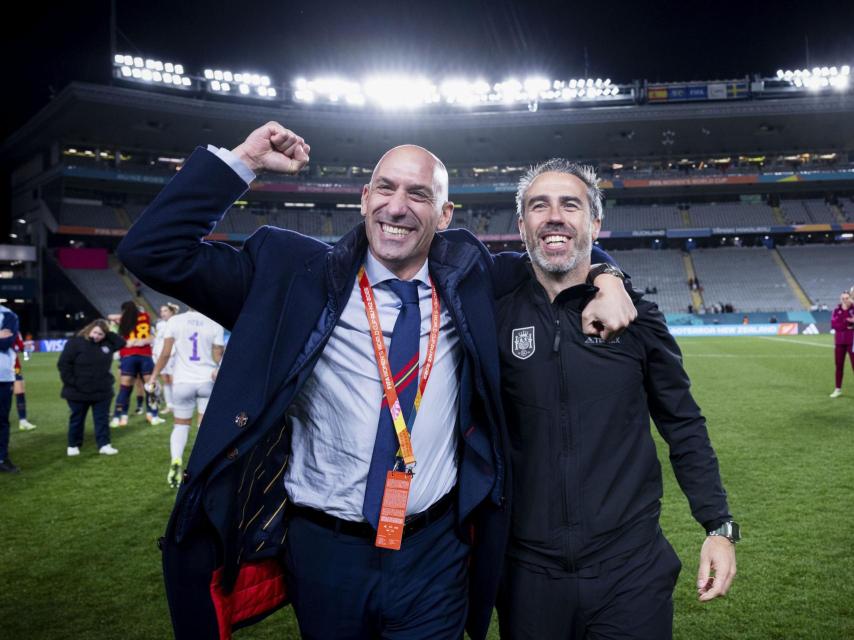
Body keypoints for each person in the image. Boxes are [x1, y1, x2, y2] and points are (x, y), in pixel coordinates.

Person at [117, 122, 635, 640]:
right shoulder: (291, 274)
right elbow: (152, 251)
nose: (397, 206)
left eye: (419, 194)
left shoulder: (472, 275)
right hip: (326, 550)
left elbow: (561, 248)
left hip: (435, 553)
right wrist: (243, 161)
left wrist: (608, 277)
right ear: (365, 199)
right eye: (385, 188)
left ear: (445, 214)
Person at [495, 159, 738, 639]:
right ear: (522, 226)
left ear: (595, 223)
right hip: (528, 574)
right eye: (538, 206)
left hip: (629, 570)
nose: (554, 216)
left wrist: (718, 525)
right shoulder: (494, 313)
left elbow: (683, 422)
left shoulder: (640, 319)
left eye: (571, 204)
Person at [147, 308, 224, 488]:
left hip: (182, 382)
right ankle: (204, 466)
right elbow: (219, 354)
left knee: (181, 425)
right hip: (207, 379)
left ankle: (176, 459)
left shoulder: (175, 321)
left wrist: (153, 376)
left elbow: (165, 354)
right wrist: (219, 369)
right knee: (204, 427)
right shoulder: (213, 322)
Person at [57, 319, 125, 456]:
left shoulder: (108, 344)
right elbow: (63, 364)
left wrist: (108, 331)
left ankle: (104, 445)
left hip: (102, 390)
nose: (97, 336)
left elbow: (121, 343)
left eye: (101, 334)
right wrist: (73, 382)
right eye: (95, 332)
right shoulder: (75, 343)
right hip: (77, 391)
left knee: (102, 419)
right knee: (77, 419)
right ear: (89, 330)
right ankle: (73, 445)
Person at [109, 301, 164, 426]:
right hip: (144, 355)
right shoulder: (145, 317)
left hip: (128, 356)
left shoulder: (123, 319)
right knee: (149, 387)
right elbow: (150, 336)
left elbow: (111, 317)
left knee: (125, 388)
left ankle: (119, 417)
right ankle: (153, 415)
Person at [0, 304, 21, 473]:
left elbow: (5, 342)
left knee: (1, 420)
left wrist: (3, 338)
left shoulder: (8, 315)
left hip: (2, 376)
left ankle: (1, 457)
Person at [153, 302, 180, 414]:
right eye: (161, 311)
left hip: (173, 355)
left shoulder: (177, 323)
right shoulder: (159, 325)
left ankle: (178, 404)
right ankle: (169, 405)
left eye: (165, 311)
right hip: (161, 355)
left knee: (175, 380)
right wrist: (155, 352)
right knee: (165, 380)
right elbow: (158, 340)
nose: (162, 313)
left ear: (172, 311)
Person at [830, 291, 854, 398]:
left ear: (850, 298)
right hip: (839, 342)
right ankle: (837, 389)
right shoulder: (836, 310)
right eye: (843, 298)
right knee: (839, 366)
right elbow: (834, 325)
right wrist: (847, 322)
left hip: (852, 342)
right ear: (840, 299)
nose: (845, 300)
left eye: (847, 298)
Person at [13, 332, 36, 431]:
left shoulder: (14, 329)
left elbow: (22, 347)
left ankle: (23, 421)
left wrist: (28, 353)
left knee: (20, 391)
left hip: (14, 367)